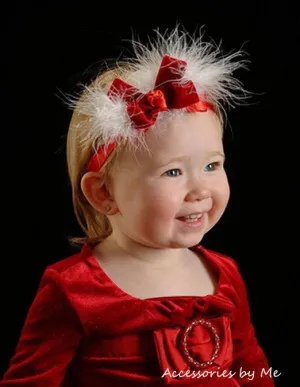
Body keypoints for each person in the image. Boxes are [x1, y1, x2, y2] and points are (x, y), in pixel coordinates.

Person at [0, 27, 275, 386]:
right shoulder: (73, 290)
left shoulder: (225, 275)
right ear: (104, 194)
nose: (199, 190)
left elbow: (253, 369)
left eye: (212, 165)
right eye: (172, 171)